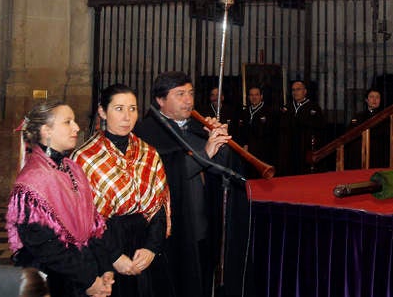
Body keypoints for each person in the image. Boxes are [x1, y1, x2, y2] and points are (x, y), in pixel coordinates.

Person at [133, 72, 231, 297]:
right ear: (160, 100)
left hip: (201, 226)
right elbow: (166, 175)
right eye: (180, 94)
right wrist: (205, 152)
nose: (188, 100)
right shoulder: (147, 131)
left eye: (190, 93)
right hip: (172, 230)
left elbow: (220, 169)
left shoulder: (196, 127)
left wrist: (220, 142)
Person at [72, 84, 172, 297]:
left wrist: (151, 248)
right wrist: (115, 256)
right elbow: (84, 217)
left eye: (133, 109)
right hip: (104, 248)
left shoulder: (149, 154)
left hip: (143, 247)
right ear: (102, 112)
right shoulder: (84, 158)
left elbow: (159, 206)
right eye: (119, 109)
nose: (127, 117)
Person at [5, 101, 114, 297]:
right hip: (55, 280)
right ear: (47, 131)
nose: (77, 127)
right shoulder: (32, 180)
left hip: (84, 271)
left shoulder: (73, 169)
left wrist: (104, 267)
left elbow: (93, 224)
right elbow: (43, 245)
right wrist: (88, 279)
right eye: (68, 122)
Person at [279, 80, 326, 175]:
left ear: (305, 91)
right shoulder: (287, 107)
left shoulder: (313, 107)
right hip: (289, 148)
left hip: (305, 147)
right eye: (293, 90)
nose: (295, 92)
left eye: (298, 89)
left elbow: (319, 127)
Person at [242, 86, 279, 176]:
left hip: (264, 152)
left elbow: (273, 134)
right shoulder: (244, 112)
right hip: (248, 152)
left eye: (256, 95)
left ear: (261, 96)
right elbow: (242, 132)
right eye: (251, 95)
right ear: (248, 97)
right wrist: (245, 144)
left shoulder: (269, 112)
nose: (254, 97)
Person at [346, 89, 388, 169]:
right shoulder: (359, 116)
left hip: (377, 153)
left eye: (377, 97)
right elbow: (350, 132)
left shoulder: (385, 116)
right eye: (372, 97)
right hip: (359, 153)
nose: (374, 100)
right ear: (366, 100)